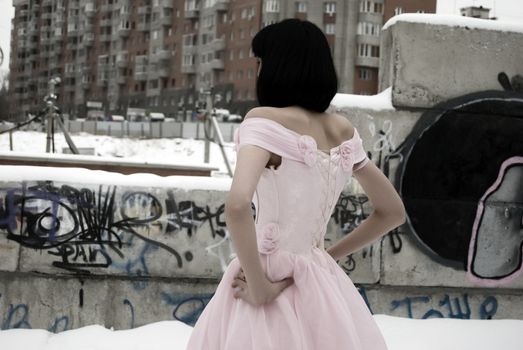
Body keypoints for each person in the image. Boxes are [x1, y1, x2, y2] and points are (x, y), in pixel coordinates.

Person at [186, 19, 405, 350]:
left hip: (267, 274)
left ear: (277, 65)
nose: (258, 70)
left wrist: (259, 287)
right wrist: (326, 255)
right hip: (318, 277)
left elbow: (237, 205)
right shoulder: (342, 130)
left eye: (259, 62)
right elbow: (392, 212)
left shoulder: (264, 121)